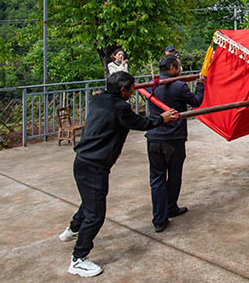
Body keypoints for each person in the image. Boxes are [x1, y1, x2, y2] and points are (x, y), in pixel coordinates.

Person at [59, 71, 179, 277]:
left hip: (82, 162)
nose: (135, 90)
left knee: (90, 201)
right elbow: (142, 124)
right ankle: (78, 259)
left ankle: (73, 228)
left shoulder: (98, 98)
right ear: (123, 90)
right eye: (132, 88)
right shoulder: (120, 108)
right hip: (95, 166)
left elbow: (103, 96)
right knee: (96, 214)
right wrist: (162, 118)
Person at [145, 54, 205, 233]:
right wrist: (200, 84)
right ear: (172, 68)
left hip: (154, 138)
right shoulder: (179, 86)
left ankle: (159, 219)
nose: (180, 69)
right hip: (173, 139)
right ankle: (171, 207)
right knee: (174, 175)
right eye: (178, 66)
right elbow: (196, 102)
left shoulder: (150, 85)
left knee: (156, 179)